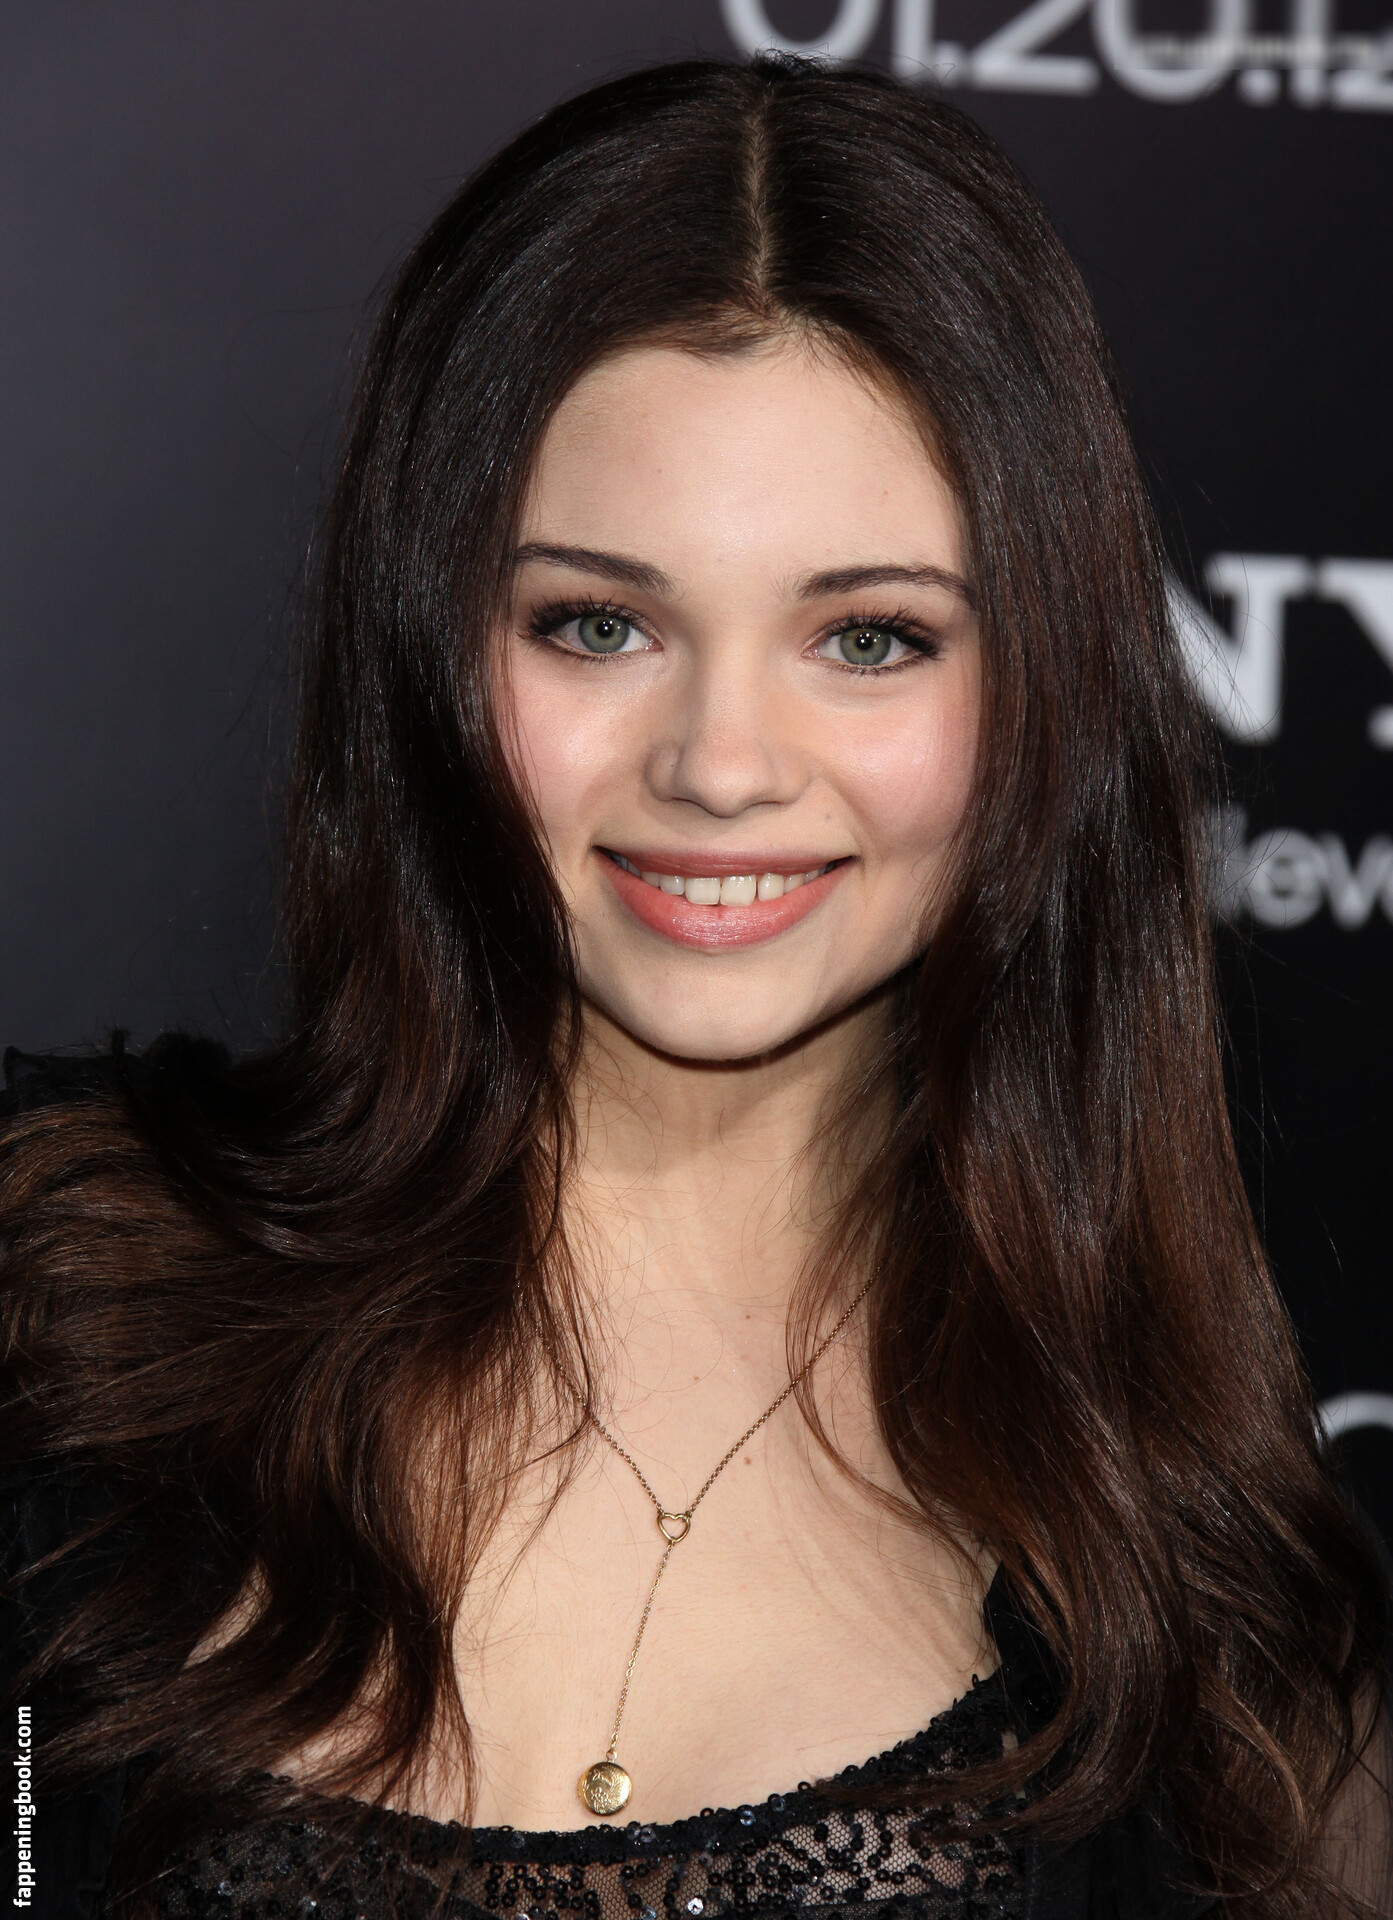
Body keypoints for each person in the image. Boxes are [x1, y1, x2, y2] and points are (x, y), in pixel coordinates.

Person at [1, 53, 1388, 1920]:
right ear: (428, 652)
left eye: (869, 638)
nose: (721, 765)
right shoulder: (53, 1293)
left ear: (1049, 691)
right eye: (599, 624)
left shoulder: (1214, 1624)